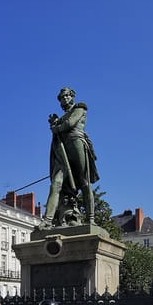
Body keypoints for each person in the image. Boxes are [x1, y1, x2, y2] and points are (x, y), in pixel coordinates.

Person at [41, 87, 100, 228]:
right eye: (62, 98)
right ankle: (48, 219)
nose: (64, 99)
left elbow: (70, 123)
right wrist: (54, 125)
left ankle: (91, 219)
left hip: (77, 143)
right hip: (62, 151)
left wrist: (56, 127)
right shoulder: (60, 118)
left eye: (66, 96)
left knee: (84, 182)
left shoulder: (80, 108)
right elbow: (60, 128)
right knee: (56, 183)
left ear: (72, 96)